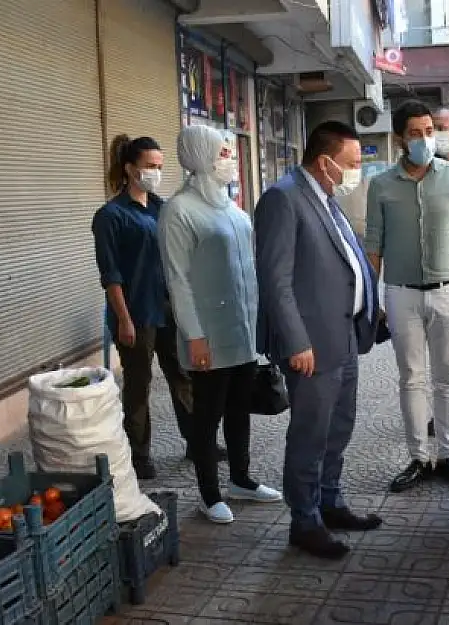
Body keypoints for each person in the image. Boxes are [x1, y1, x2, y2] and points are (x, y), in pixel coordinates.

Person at [253, 121, 383, 559]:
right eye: (351, 164)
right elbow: (275, 281)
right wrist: (295, 341)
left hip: (343, 336)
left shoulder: (326, 197)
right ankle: (304, 521)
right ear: (325, 162)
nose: (355, 172)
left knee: (339, 427)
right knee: (310, 434)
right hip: (310, 346)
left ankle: (331, 500)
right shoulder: (283, 198)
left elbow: (343, 260)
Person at [161, 125, 282, 524]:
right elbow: (178, 280)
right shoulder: (179, 211)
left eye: (230, 153)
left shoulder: (232, 208)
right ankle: (209, 494)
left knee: (239, 409)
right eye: (224, 153)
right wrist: (193, 335)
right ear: (201, 155)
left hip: (242, 330)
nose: (231, 160)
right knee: (207, 415)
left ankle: (241, 480)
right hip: (208, 336)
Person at [365, 100, 449, 494]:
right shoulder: (381, 185)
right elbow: (374, 242)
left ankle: (446, 455)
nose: (426, 139)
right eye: (416, 132)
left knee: (447, 377)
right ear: (400, 138)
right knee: (411, 378)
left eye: (430, 131)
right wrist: (369, 297)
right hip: (401, 294)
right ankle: (417, 458)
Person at [93, 135, 195, 480]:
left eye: (160, 167)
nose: (156, 172)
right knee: (139, 384)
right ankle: (139, 454)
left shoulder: (161, 207)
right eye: (150, 166)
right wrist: (123, 319)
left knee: (181, 376)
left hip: (167, 308)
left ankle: (196, 442)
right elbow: (111, 274)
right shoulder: (111, 215)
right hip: (135, 314)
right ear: (129, 168)